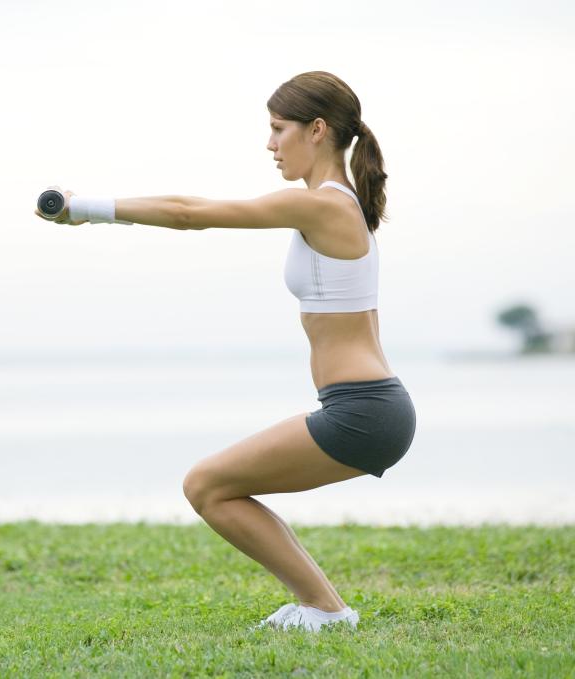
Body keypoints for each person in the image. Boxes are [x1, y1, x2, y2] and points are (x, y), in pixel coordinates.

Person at [33, 71, 416, 632]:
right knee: (216, 485)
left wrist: (85, 207)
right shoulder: (333, 206)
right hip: (367, 405)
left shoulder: (326, 207)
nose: (269, 144)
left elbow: (192, 213)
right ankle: (322, 608)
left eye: (278, 129)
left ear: (316, 131)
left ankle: (326, 610)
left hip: (364, 410)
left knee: (206, 485)